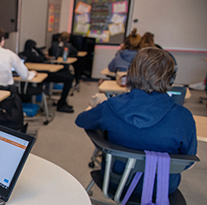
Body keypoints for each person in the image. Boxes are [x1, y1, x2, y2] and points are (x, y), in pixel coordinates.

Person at [76, 48, 197, 194]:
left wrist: (99, 107)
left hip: (116, 182)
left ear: (130, 74)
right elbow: (188, 162)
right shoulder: (184, 117)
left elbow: (81, 120)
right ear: (171, 79)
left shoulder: (110, 106)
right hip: (160, 190)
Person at [21, 39, 75, 113]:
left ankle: (63, 102)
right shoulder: (28, 53)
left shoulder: (35, 52)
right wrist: (38, 51)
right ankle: (61, 104)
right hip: (42, 74)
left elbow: (43, 57)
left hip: (45, 72)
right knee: (69, 78)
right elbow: (41, 58)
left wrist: (38, 50)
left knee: (68, 74)